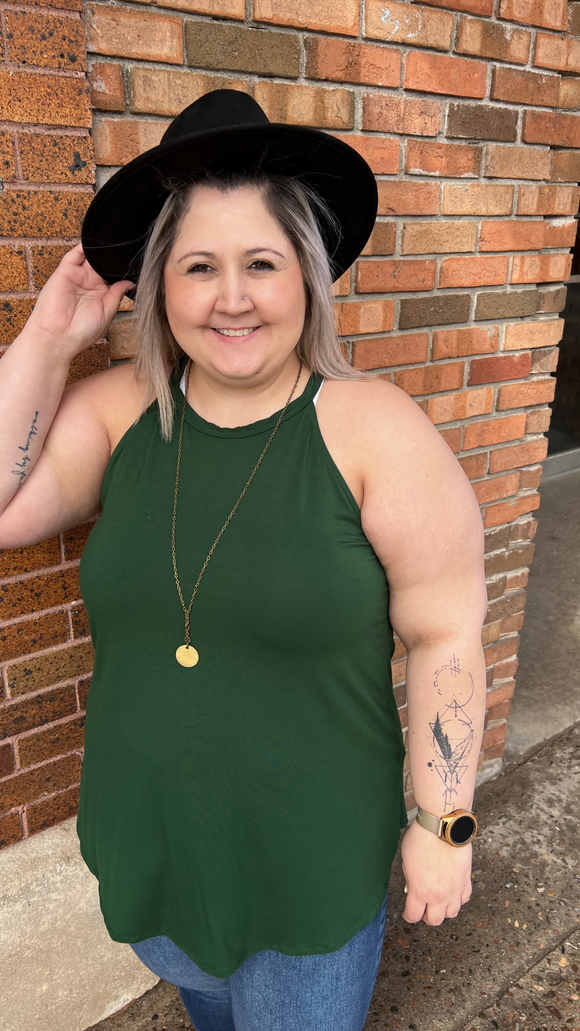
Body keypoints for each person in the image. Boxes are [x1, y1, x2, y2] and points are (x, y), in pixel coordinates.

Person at [0, 90, 487, 1031]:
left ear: (307, 277)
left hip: (308, 861)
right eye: (199, 267)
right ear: (160, 285)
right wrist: (53, 337)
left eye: (261, 263)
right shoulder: (121, 412)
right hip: (157, 844)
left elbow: (446, 631)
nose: (231, 297)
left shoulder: (375, 431)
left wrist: (443, 823)